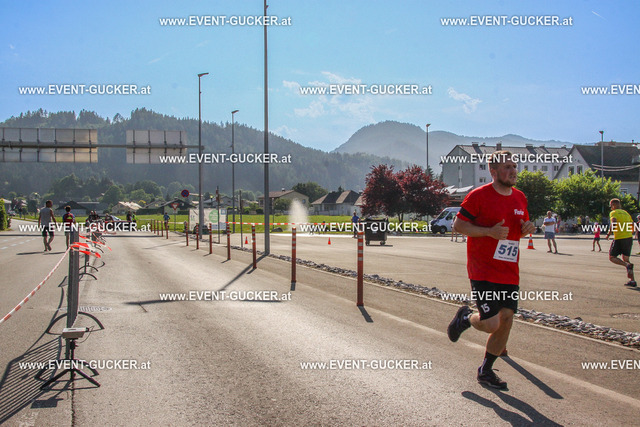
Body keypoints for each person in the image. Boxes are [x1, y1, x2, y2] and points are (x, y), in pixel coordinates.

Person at [447, 151, 535, 390]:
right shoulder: (479, 195)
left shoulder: (520, 197)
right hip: (483, 269)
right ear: (493, 172)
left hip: (509, 270)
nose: (513, 171)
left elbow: (520, 228)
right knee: (492, 323)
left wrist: (527, 228)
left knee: (506, 319)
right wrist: (489, 232)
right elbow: (459, 225)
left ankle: (486, 371)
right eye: (507, 167)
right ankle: (466, 318)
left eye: (514, 166)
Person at [605, 198, 636, 287]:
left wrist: (609, 233)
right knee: (626, 258)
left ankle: (626, 265)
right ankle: (632, 280)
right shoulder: (626, 213)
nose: (611, 208)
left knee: (612, 257)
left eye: (611, 206)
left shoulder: (614, 212)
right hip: (628, 238)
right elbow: (632, 224)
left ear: (613, 205)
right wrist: (631, 232)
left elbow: (613, 222)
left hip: (619, 237)